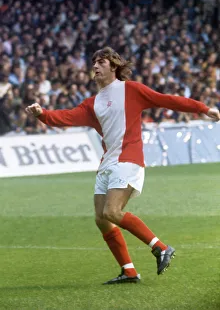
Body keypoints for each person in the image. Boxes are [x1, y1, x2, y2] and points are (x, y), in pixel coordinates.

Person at [26, 46, 220, 284]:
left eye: (101, 62)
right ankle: (128, 271)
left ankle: (161, 247)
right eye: (94, 62)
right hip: (107, 162)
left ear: (114, 67)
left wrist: (203, 108)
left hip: (128, 160)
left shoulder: (132, 90)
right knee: (101, 218)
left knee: (112, 211)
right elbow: (65, 117)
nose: (95, 66)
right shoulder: (92, 104)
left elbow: (167, 100)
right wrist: (42, 114)